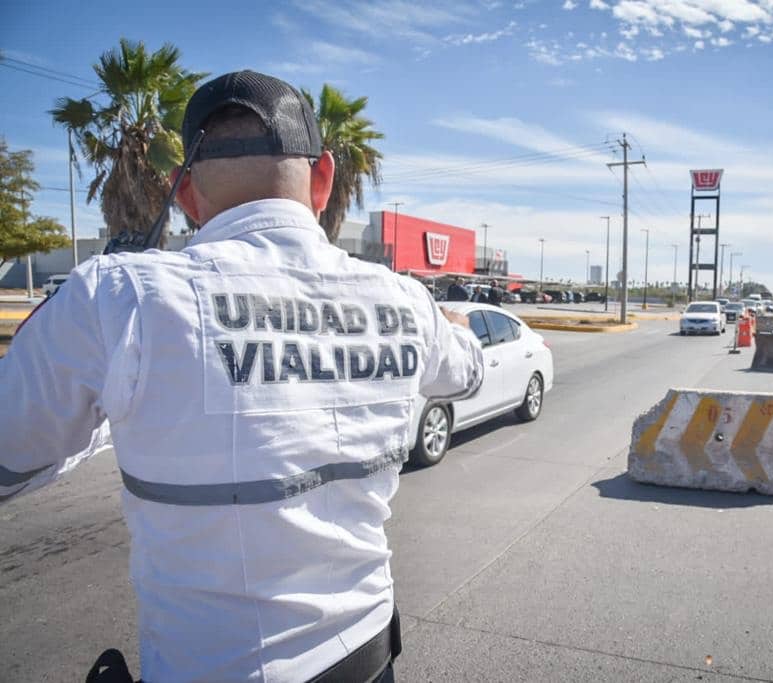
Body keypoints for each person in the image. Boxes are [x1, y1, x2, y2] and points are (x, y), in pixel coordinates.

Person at [0, 70, 484, 683]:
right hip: (369, 654)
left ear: (185, 196)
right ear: (324, 179)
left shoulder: (118, 299)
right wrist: (445, 321)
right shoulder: (405, 302)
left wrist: (111, 407)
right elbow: (464, 374)